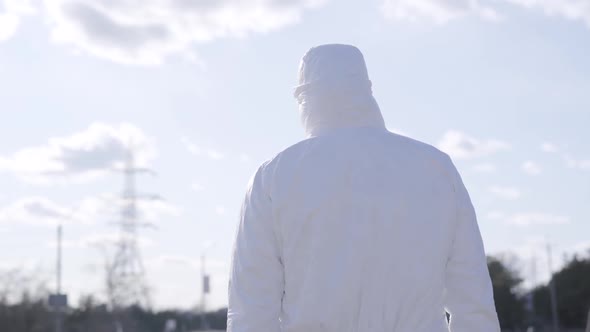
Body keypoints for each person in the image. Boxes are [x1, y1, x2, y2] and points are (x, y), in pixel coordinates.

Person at [227, 44, 500, 332]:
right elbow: (473, 302)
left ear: (306, 96)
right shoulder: (436, 168)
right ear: (365, 89)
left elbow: (251, 311)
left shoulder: (273, 176)